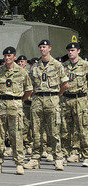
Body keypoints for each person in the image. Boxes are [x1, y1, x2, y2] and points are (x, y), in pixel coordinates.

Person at [24, 40, 69, 171]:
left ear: (50, 48)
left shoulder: (57, 65)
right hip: (37, 100)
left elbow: (65, 84)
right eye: (41, 47)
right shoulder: (35, 67)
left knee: (54, 131)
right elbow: (29, 85)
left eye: (44, 47)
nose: (42, 49)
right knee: (36, 132)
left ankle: (58, 159)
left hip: (52, 99)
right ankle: (35, 159)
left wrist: (57, 95)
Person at [0, 47, 33, 175]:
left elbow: (29, 90)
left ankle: (19, 163)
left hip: (16, 106)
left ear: (14, 56)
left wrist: (18, 101)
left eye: (9, 56)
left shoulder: (22, 72)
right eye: (5, 56)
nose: (7, 58)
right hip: (1, 106)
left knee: (17, 136)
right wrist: (3, 99)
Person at [61, 42, 88, 167]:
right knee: (66, 129)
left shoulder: (85, 65)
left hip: (81, 100)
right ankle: (68, 153)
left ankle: (86, 155)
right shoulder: (64, 66)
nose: (70, 52)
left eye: (72, 50)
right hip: (66, 100)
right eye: (69, 50)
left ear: (78, 51)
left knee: (82, 128)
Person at [17, 55, 33, 155]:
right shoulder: (15, 74)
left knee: (30, 125)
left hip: (29, 102)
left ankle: (29, 145)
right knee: (20, 125)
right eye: (18, 62)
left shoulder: (29, 73)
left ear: (26, 63)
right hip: (19, 103)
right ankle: (21, 145)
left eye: (22, 62)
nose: (20, 63)